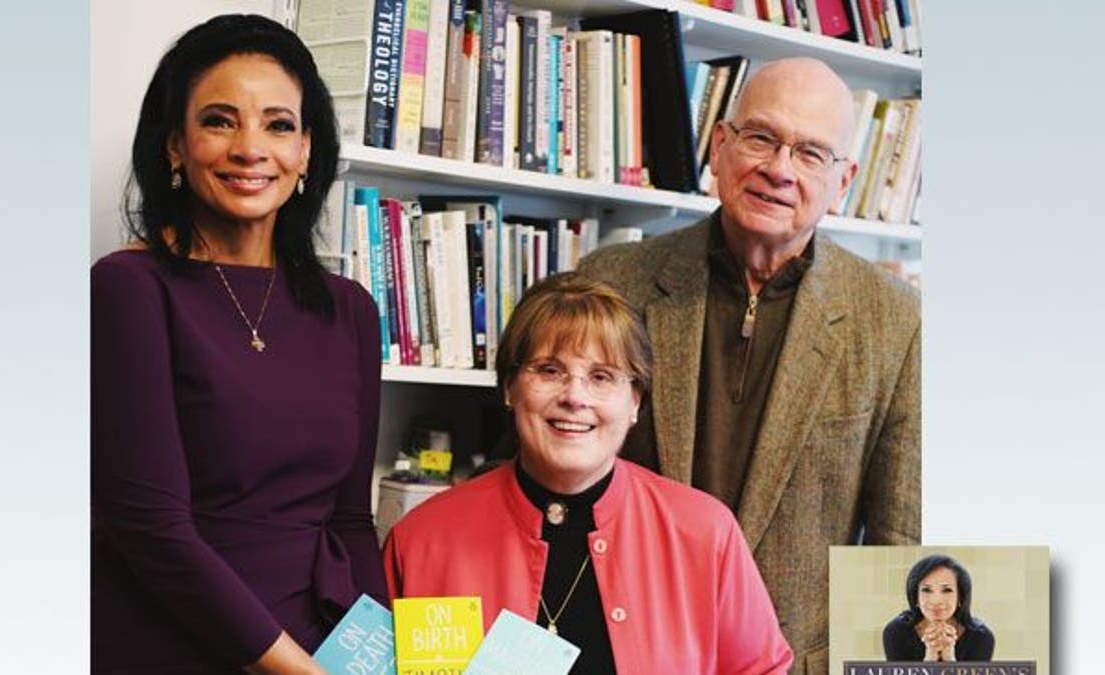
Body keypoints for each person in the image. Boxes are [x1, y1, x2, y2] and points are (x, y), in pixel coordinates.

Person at [577, 57, 920, 673]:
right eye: (761, 137)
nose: (779, 170)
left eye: (812, 153)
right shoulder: (613, 283)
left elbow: (902, 542)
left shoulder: (896, 321)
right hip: (620, 647)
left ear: (844, 181)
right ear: (720, 145)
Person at [92, 15, 386, 674]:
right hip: (167, 643)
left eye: (279, 124)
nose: (251, 148)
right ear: (174, 145)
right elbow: (153, 530)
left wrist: (382, 662)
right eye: (221, 121)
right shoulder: (126, 289)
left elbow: (350, 524)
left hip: (317, 639)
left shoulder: (351, 309)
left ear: (307, 151)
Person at [383, 273, 793, 674]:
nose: (574, 397)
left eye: (601, 377)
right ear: (510, 388)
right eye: (549, 370)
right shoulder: (424, 539)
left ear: (635, 400)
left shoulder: (705, 533)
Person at [883, 555, 995, 662]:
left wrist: (949, 659)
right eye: (927, 590)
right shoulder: (896, 632)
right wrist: (930, 659)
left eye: (947, 590)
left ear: (960, 595)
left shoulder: (981, 637)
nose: (936, 600)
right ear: (916, 595)